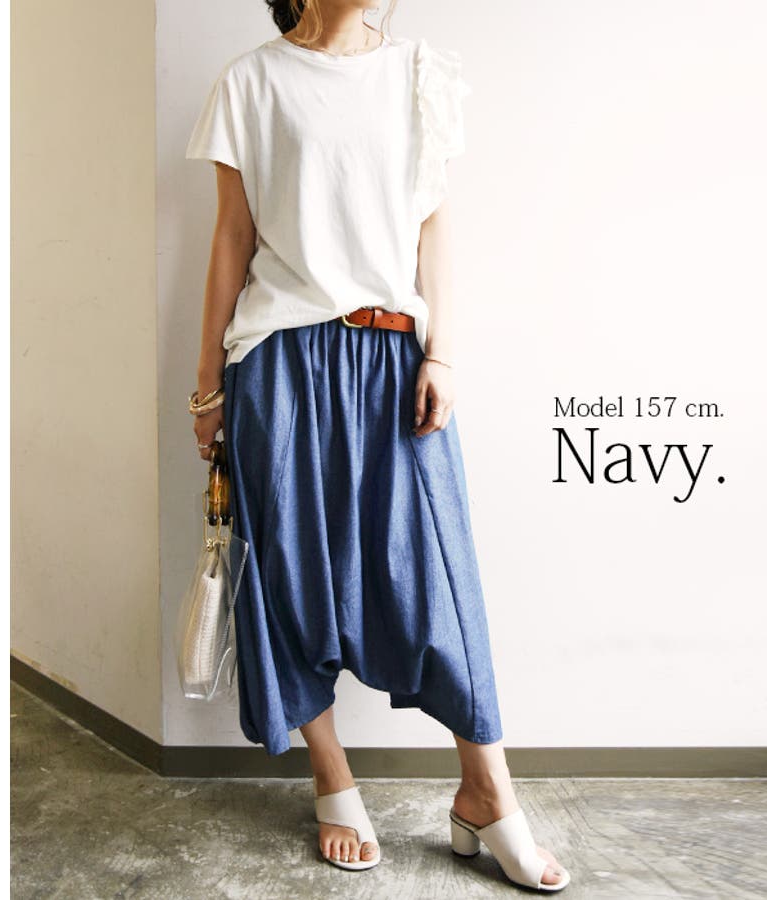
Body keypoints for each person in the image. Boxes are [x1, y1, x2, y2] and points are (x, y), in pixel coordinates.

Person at [184, 0, 569, 891]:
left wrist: (443, 352)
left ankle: (486, 789)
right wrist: (207, 387)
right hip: (279, 362)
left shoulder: (420, 73)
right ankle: (333, 778)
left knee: (436, 578)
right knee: (288, 574)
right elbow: (232, 237)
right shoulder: (251, 82)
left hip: (395, 359)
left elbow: (434, 223)